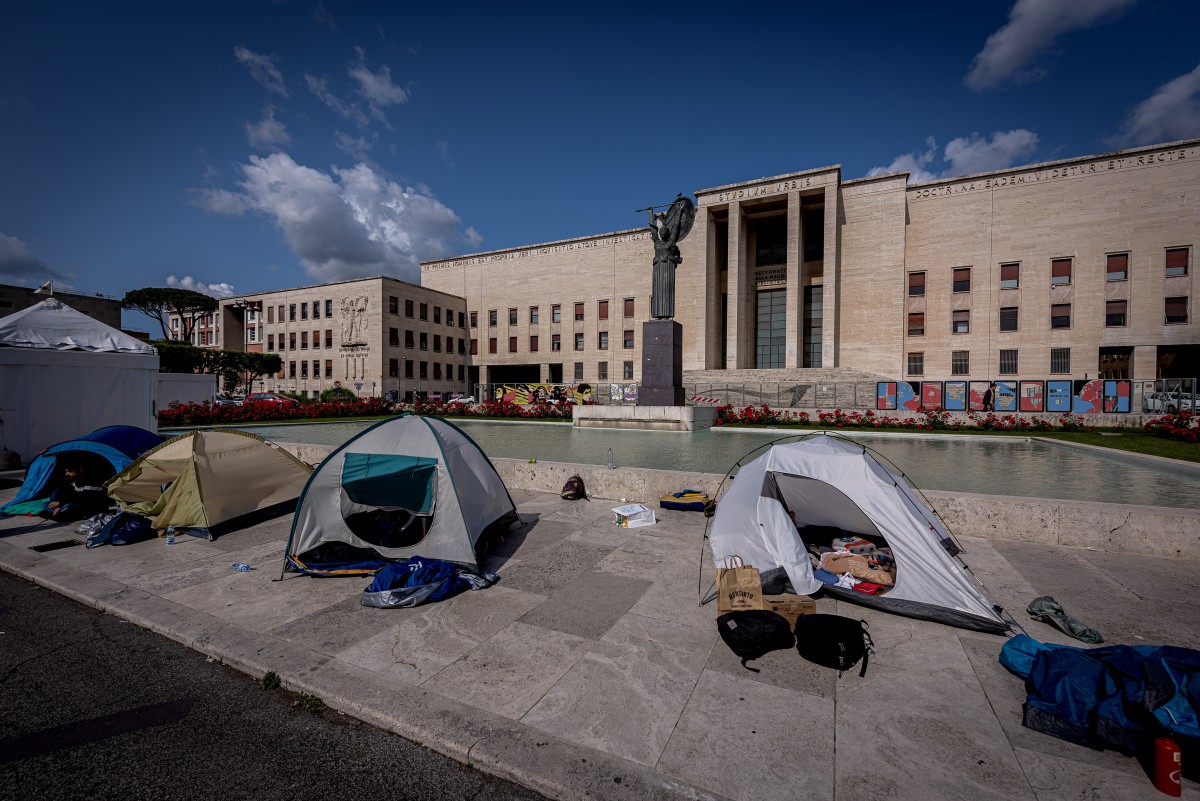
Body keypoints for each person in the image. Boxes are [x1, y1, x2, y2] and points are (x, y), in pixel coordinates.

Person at [43, 459, 111, 522]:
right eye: (66, 471)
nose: (66, 474)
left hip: (91, 507)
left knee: (68, 506)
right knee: (46, 504)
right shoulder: (78, 480)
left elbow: (85, 500)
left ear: (80, 470)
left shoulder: (91, 481)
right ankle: (59, 511)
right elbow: (75, 495)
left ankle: (58, 512)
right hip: (80, 503)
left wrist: (61, 503)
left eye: (69, 471)